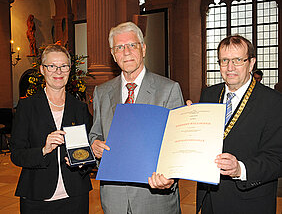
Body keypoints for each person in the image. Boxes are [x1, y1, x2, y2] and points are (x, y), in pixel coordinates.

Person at [89, 22, 184, 214]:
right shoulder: (102, 92)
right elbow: (95, 133)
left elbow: (179, 145)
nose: (126, 52)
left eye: (132, 45)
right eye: (119, 47)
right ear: (113, 55)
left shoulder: (168, 89)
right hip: (114, 199)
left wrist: (171, 178)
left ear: (143, 49)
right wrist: (95, 145)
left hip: (154, 198)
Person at [184, 35, 282, 213]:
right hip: (209, 200)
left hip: (249, 203)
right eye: (224, 61)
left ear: (251, 63)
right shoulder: (209, 95)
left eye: (238, 60)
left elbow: (277, 159)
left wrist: (240, 169)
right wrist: (188, 123)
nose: (230, 68)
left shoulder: (273, 102)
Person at [10, 44, 93, 214]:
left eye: (63, 66)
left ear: (70, 70)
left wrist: (82, 163)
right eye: (52, 66)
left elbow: (89, 152)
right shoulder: (27, 107)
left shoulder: (80, 108)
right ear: (42, 69)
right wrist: (43, 150)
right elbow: (16, 154)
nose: (58, 71)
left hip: (75, 196)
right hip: (37, 197)